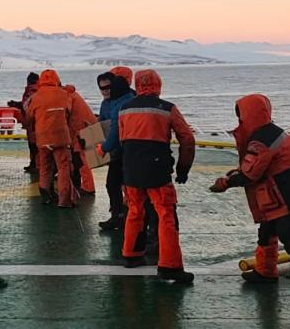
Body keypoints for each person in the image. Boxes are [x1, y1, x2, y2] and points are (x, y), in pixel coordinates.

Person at [209, 94, 290, 303]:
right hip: (285, 191)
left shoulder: (263, 140)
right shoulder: (268, 133)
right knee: (267, 231)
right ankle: (266, 271)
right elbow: (256, 166)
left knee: (289, 236)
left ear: (247, 115)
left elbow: (250, 174)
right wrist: (238, 173)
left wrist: (225, 183)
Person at [117, 69, 196, 284]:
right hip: (157, 169)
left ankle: (131, 255)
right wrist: (183, 168)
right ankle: (170, 266)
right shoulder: (167, 108)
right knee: (165, 214)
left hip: (131, 168)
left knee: (135, 210)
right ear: (158, 85)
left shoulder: (124, 109)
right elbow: (187, 139)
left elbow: (123, 139)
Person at [26, 69, 76, 207]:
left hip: (43, 138)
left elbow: (29, 117)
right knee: (63, 168)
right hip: (61, 137)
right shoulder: (64, 94)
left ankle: (45, 195)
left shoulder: (36, 96)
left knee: (45, 167)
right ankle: (64, 200)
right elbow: (69, 110)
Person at [97, 72, 134, 230]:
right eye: (102, 88)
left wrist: (104, 148)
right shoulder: (107, 104)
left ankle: (127, 217)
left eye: (108, 87)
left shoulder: (122, 103)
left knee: (128, 186)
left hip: (127, 151)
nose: (105, 91)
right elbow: (102, 123)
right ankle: (119, 215)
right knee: (113, 184)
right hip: (117, 152)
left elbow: (115, 129)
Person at [65, 84, 97, 195]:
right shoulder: (73, 94)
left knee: (81, 159)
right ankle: (83, 184)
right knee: (80, 158)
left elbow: (66, 112)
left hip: (80, 131)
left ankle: (88, 187)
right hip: (85, 127)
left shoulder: (67, 96)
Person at [9, 72, 40, 172]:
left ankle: (36, 165)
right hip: (35, 121)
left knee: (34, 145)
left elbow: (27, 106)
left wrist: (17, 105)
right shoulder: (38, 91)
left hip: (32, 122)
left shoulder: (30, 92)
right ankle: (35, 164)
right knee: (34, 145)